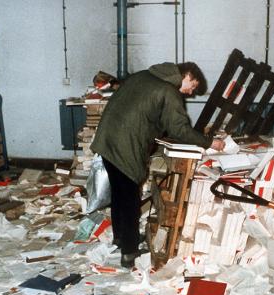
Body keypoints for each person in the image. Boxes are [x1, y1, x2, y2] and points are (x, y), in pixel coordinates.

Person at [91, 62, 225, 268]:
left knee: (119, 192)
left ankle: (121, 239)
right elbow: (179, 129)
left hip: (107, 139)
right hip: (125, 143)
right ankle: (129, 254)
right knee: (130, 199)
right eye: (193, 86)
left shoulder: (144, 76)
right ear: (186, 76)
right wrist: (210, 142)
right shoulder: (168, 91)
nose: (191, 92)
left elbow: (149, 112)